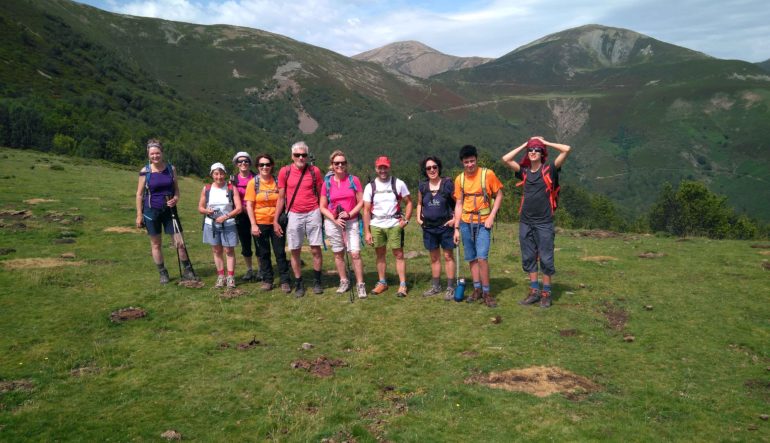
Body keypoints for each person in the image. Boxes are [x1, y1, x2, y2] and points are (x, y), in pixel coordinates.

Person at [502, 136, 571, 308]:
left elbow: (567, 149)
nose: (533, 152)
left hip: (544, 222)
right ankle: (534, 292)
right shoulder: (524, 172)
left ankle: (546, 293)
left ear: (542, 154)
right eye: (531, 150)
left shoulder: (550, 169)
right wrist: (526, 143)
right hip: (525, 221)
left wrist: (544, 143)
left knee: (546, 259)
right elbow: (506, 159)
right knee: (529, 257)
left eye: (536, 150)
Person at [135, 138, 196, 284]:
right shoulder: (145, 171)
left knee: (179, 242)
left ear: (162, 153)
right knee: (156, 244)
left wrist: (176, 198)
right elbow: (139, 194)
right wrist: (139, 215)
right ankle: (163, 273)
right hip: (151, 211)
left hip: (170, 210)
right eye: (152, 154)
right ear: (148, 155)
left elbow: (176, 190)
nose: (155, 156)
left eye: (157, 153)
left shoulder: (170, 169)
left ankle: (188, 270)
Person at [453, 145, 503, 308]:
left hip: (483, 222)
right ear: (462, 162)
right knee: (471, 258)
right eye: (466, 162)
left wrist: (492, 217)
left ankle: (487, 292)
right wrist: (456, 227)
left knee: (482, 257)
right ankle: (477, 289)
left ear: (476, 159)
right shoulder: (459, 179)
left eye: (472, 161)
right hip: (466, 222)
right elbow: (459, 203)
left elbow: (499, 194)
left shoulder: (487, 174)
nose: (470, 165)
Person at [273, 141, 324, 297]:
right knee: (295, 250)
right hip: (294, 213)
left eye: (304, 155)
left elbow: (321, 193)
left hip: (313, 212)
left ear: (307, 156)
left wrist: (324, 213)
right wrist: (275, 220)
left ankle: (317, 282)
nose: (301, 157)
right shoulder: (285, 172)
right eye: (297, 155)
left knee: (316, 248)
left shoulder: (315, 171)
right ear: (292, 156)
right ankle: (299, 283)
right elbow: (281, 197)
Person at [363, 156, 413, 297]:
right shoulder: (370, 187)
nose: (383, 170)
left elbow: (409, 202)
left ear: (389, 167)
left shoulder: (398, 183)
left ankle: (402, 285)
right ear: (376, 169)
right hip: (376, 224)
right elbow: (366, 210)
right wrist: (367, 232)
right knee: (380, 254)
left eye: (385, 167)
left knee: (398, 254)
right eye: (380, 167)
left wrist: (406, 220)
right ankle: (382, 282)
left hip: (394, 224)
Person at [320, 150, 367, 299]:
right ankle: (344, 280)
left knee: (355, 253)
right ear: (332, 165)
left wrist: (350, 213)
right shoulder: (327, 183)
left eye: (342, 163)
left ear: (346, 164)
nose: (340, 165)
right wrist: (334, 219)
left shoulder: (354, 180)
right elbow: (322, 206)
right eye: (336, 163)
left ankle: (360, 284)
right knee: (338, 253)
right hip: (333, 222)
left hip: (351, 221)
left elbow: (362, 201)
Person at [244, 153, 292, 293]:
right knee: (263, 253)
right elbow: (249, 205)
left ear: (272, 166)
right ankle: (267, 280)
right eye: (261, 165)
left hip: (276, 222)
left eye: (267, 164)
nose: (265, 167)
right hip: (260, 222)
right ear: (257, 167)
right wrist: (253, 224)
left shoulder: (278, 181)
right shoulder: (253, 183)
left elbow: (283, 200)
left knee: (280, 252)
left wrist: (277, 220)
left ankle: (285, 281)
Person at [416, 156, 457, 300]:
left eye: (434, 167)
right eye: (428, 168)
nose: (432, 170)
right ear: (425, 170)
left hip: (446, 226)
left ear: (439, 167)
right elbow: (420, 203)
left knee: (448, 256)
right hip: (429, 227)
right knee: (434, 257)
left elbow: (458, 202)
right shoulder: (422, 186)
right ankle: (436, 286)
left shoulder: (447, 184)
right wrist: (418, 218)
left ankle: (451, 287)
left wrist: (455, 220)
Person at [198, 162, 242, 288]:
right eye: (216, 174)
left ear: (225, 174)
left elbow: (238, 208)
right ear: (212, 175)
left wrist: (226, 216)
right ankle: (221, 276)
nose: (219, 176)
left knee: (229, 250)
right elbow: (200, 208)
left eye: (221, 173)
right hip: (211, 224)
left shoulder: (231, 188)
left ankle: (231, 277)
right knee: (216, 250)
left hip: (228, 223)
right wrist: (207, 211)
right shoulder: (206, 189)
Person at [231, 151, 261, 282]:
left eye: (246, 161)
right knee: (246, 244)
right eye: (240, 161)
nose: (243, 163)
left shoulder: (257, 178)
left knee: (259, 243)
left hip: (256, 214)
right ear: (237, 164)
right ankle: (249, 269)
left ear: (249, 163)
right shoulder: (233, 180)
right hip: (241, 216)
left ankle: (261, 269)